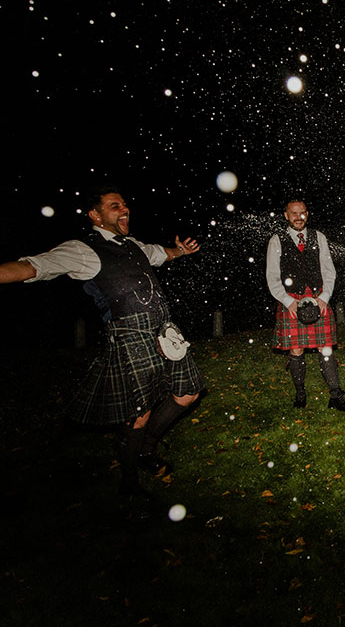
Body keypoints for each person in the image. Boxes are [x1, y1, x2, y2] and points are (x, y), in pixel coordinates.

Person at [0, 188, 204, 498]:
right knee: (139, 412)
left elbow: (162, 253)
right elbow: (31, 267)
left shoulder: (133, 245)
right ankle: (130, 481)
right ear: (95, 215)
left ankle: (146, 449)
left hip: (165, 331)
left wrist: (181, 252)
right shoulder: (81, 250)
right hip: (129, 335)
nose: (125, 210)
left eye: (125, 204)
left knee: (188, 393)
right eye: (115, 206)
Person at [266, 199, 345, 412]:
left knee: (326, 349)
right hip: (291, 300)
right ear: (286, 215)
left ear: (307, 213)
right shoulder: (277, 240)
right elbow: (272, 277)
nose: (299, 217)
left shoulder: (319, 237)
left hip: (317, 297)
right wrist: (288, 302)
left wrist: (324, 297)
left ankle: (336, 395)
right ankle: (300, 393)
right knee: (296, 349)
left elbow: (329, 271)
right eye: (294, 213)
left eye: (302, 212)